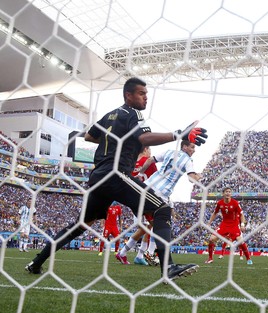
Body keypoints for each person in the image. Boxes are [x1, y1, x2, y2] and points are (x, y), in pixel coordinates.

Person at [25, 77, 207, 283]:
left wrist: (115, 139)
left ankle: (36, 263)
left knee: (81, 225)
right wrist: (178, 133)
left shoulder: (109, 115)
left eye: (147, 94)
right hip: (116, 174)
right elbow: (144, 139)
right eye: (141, 93)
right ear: (128, 95)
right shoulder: (134, 114)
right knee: (162, 208)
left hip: (98, 177)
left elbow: (89, 136)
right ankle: (169, 268)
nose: (146, 97)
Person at [116, 139, 203, 266]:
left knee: (150, 226)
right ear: (184, 147)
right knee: (161, 226)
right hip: (160, 194)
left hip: (145, 188)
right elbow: (191, 178)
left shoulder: (169, 152)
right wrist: (199, 177)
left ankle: (135, 254)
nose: (194, 150)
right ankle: (154, 256)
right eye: (192, 147)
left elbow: (150, 159)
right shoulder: (187, 160)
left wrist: (141, 173)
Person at [205, 187, 252, 265]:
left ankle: (248, 258)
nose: (228, 193)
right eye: (226, 191)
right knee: (211, 239)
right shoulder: (220, 203)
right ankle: (210, 258)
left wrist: (242, 225)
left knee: (240, 241)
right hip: (224, 224)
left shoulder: (235, 203)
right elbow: (215, 213)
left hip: (234, 225)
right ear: (223, 193)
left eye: (229, 192)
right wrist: (209, 222)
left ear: (231, 194)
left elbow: (241, 215)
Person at [130, 146, 159, 265]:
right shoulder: (149, 162)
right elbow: (158, 178)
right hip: (147, 198)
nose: (151, 153)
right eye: (150, 150)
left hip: (132, 198)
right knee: (155, 225)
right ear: (146, 150)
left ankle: (141, 254)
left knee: (146, 227)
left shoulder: (131, 163)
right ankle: (147, 253)